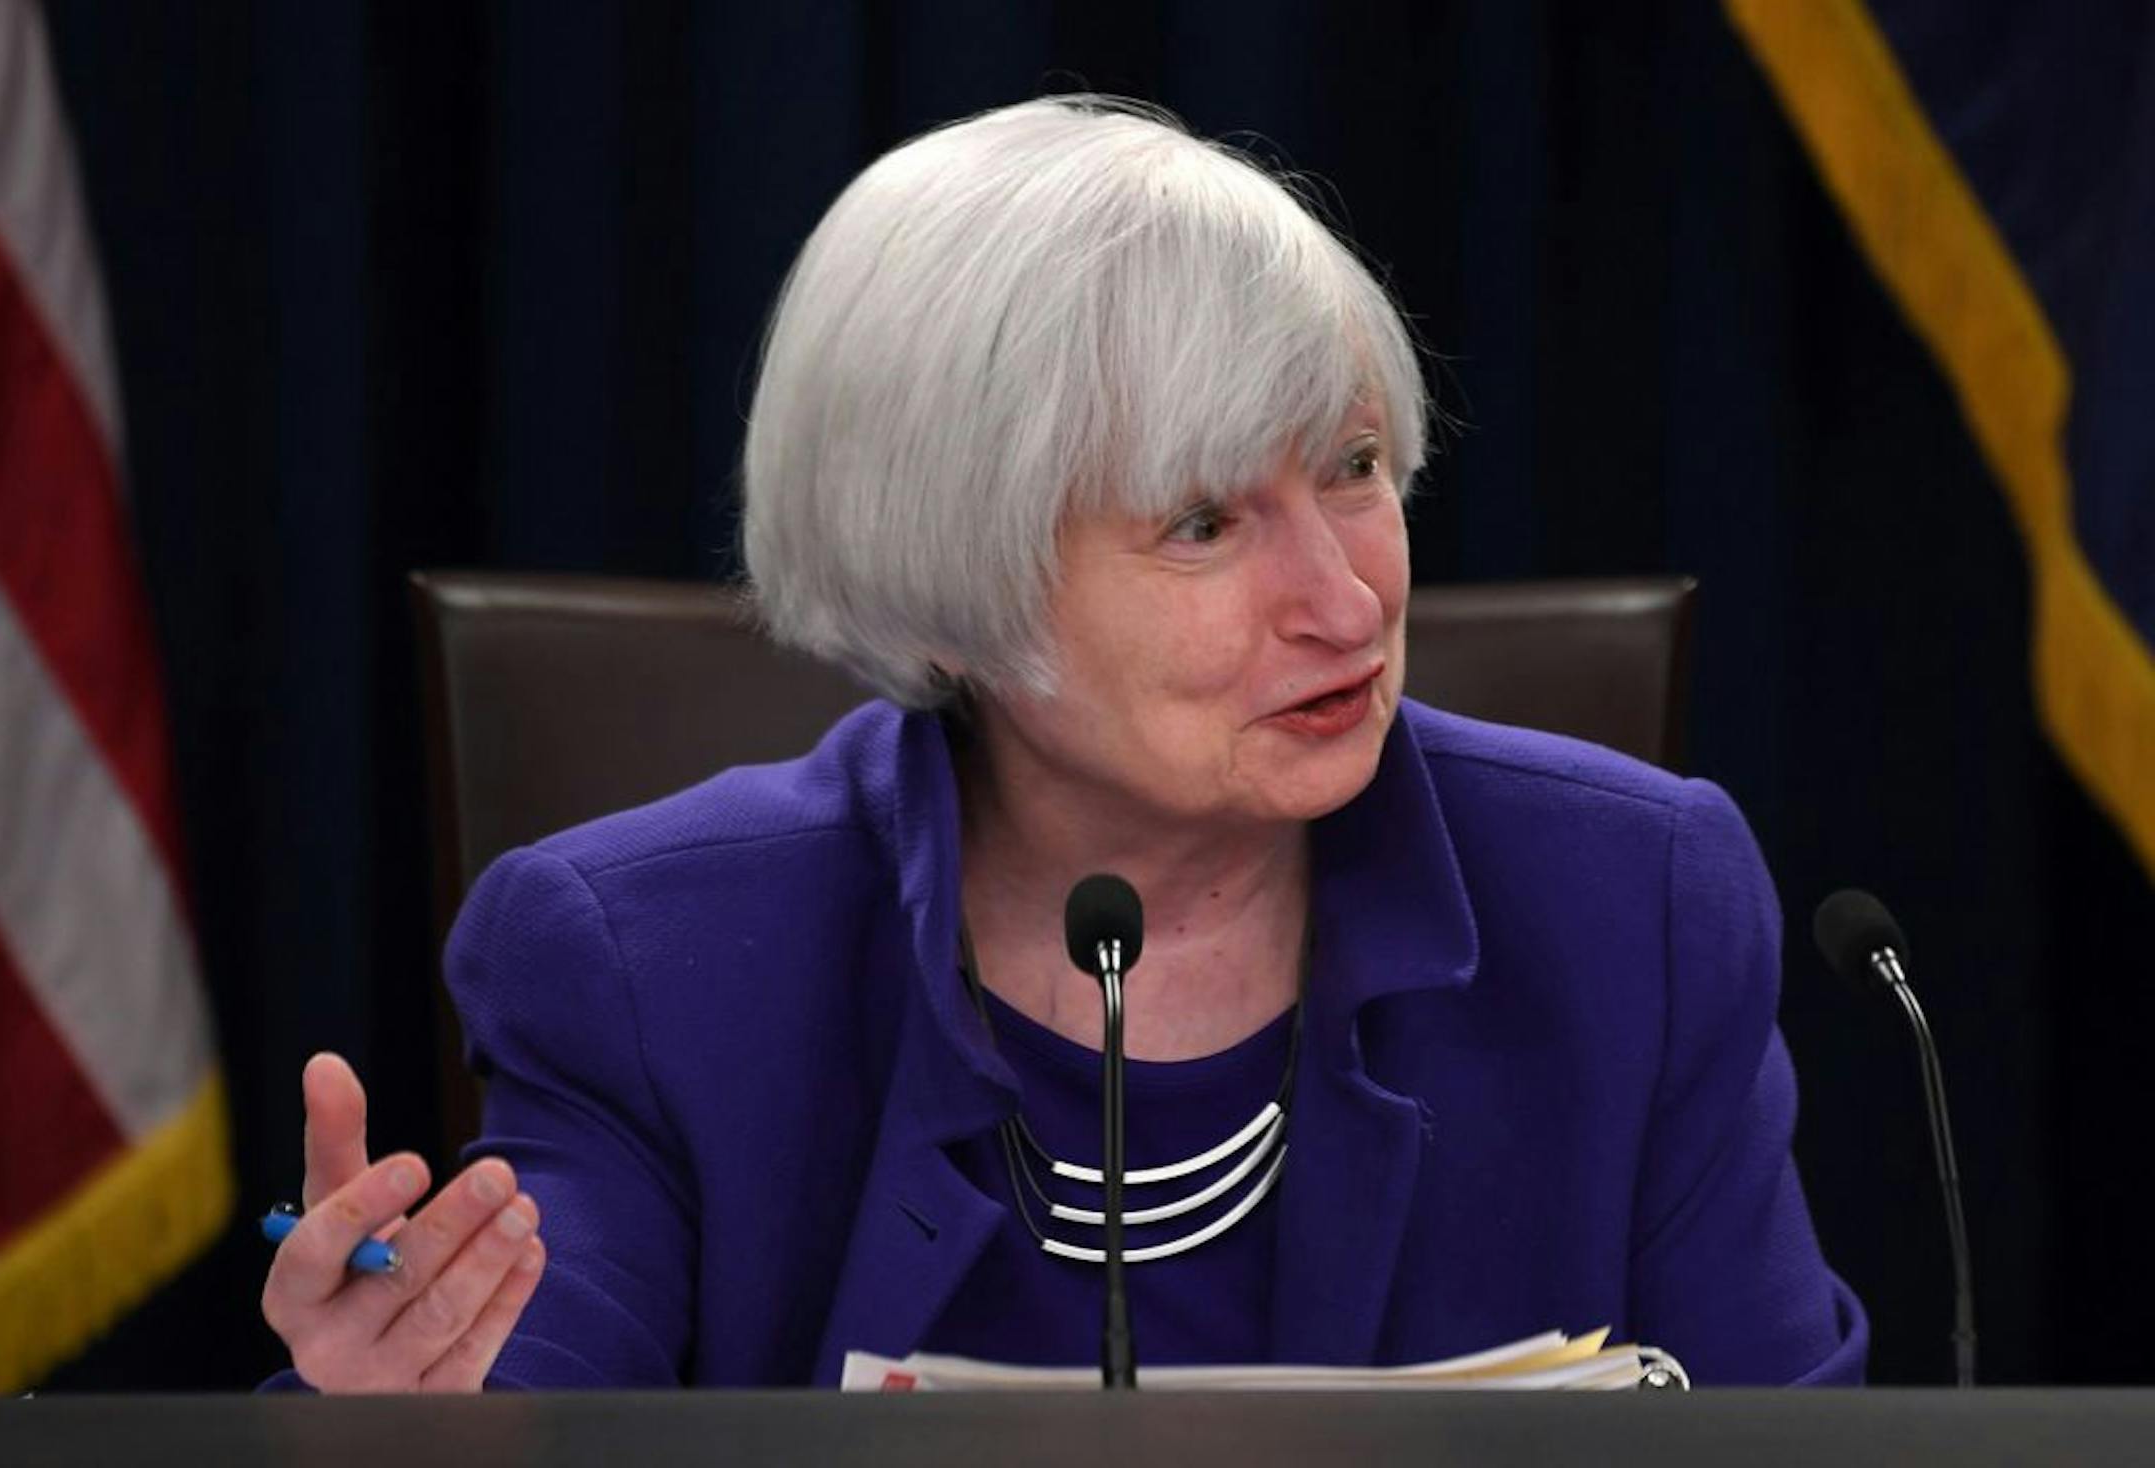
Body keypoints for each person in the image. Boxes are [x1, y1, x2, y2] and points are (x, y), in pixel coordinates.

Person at [260, 95, 1866, 1391]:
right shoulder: (650, 967)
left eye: (1358, 466)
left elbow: (1796, 1446)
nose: (1345, 596)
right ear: (955, 588)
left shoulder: (1632, 903)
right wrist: (412, 1418)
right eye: (1202, 521)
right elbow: (534, 1377)